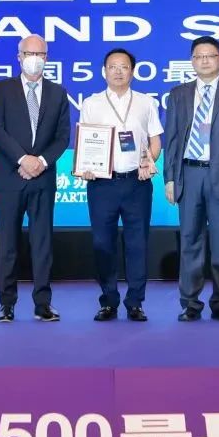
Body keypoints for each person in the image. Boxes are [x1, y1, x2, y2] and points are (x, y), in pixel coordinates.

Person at [163, 36, 219, 321]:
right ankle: (190, 304)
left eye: (210, 56)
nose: (204, 61)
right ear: (191, 61)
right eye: (198, 56)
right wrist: (170, 178)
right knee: (190, 240)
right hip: (189, 174)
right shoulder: (178, 94)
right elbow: (172, 140)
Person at [0, 34, 71, 322]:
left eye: (40, 54)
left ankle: (42, 303)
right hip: (9, 176)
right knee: (8, 244)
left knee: (42, 243)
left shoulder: (58, 93)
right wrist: (23, 159)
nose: (35, 59)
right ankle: (7, 303)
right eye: (29, 53)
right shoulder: (1, 89)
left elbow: (62, 137)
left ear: (47, 58)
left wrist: (41, 162)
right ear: (19, 57)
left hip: (43, 178)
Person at [78, 48, 162, 322]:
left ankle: (135, 302)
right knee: (103, 243)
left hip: (137, 183)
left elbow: (155, 140)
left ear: (132, 72)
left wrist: (149, 161)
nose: (118, 71)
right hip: (102, 184)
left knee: (137, 244)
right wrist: (86, 165)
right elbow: (85, 140)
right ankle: (109, 301)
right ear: (104, 71)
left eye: (124, 66)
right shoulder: (91, 103)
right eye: (112, 66)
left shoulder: (146, 102)